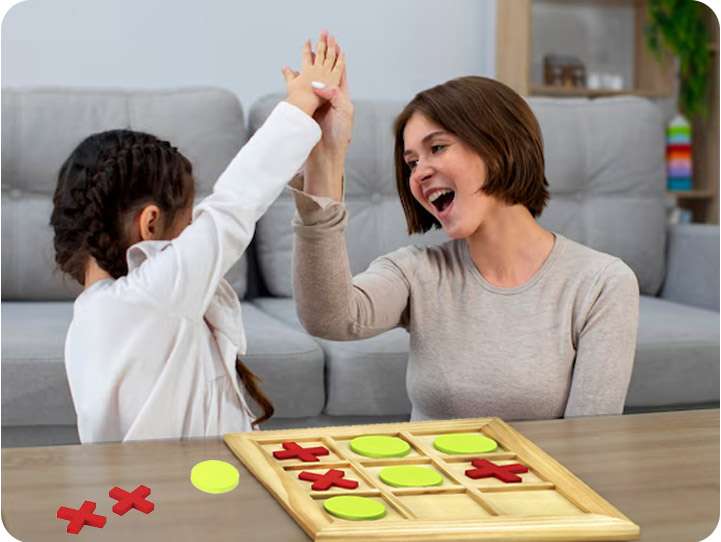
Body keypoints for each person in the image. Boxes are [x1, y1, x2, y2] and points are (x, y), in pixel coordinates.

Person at [291, 72, 640, 421]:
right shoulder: (417, 272)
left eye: (437, 148)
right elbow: (330, 318)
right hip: (425, 475)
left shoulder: (601, 283)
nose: (419, 174)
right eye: (411, 162)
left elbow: (591, 441)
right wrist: (327, 160)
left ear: (500, 145)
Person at [50, 34, 345, 443]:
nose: (196, 234)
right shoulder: (150, 297)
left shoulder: (99, 315)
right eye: (191, 221)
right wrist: (299, 105)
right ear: (150, 224)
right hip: (190, 493)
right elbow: (234, 204)